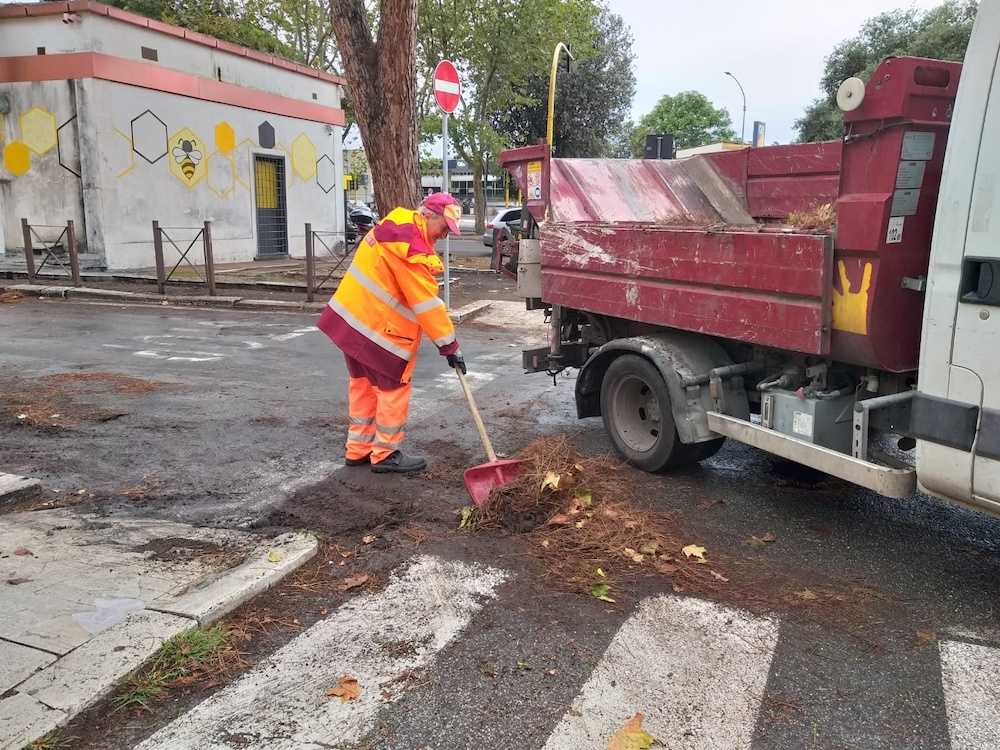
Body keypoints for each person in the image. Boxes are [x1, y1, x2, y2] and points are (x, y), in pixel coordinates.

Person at [316, 192, 466, 474]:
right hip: (379, 331)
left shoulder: (394, 225)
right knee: (393, 389)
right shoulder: (412, 249)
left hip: (352, 321)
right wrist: (450, 346)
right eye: (444, 227)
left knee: (362, 384)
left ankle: (358, 449)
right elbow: (426, 304)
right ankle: (385, 453)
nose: (445, 235)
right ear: (427, 215)